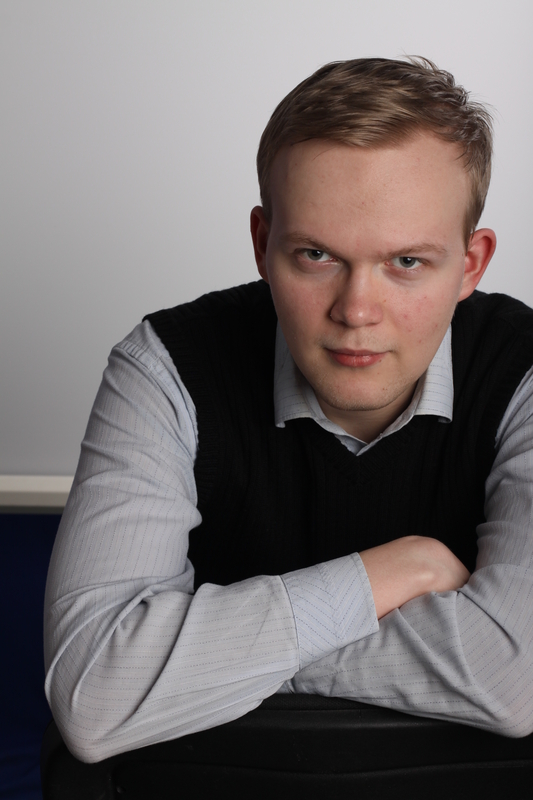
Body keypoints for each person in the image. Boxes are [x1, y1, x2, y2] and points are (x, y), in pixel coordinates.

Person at [44, 57, 533, 764]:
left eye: (406, 262)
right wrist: (398, 571)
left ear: (471, 264)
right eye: (315, 255)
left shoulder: (523, 370)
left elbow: (514, 679)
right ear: (261, 245)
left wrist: (202, 666)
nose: (356, 311)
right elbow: (95, 694)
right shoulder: (163, 365)